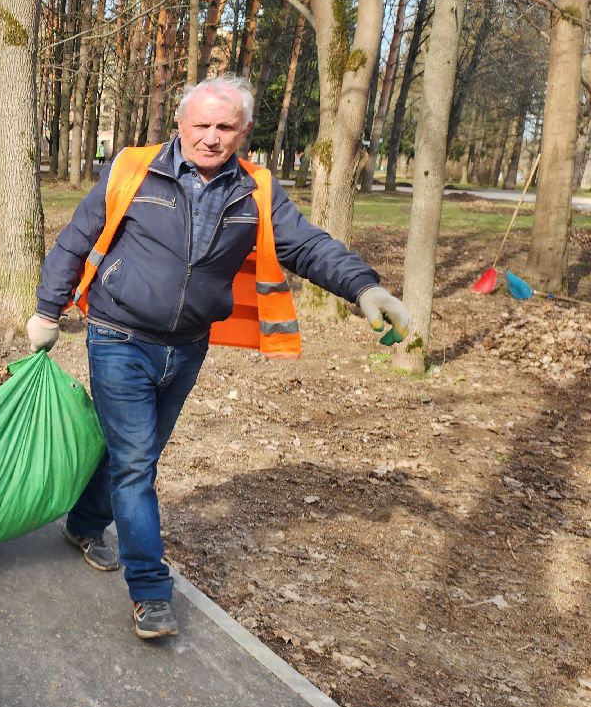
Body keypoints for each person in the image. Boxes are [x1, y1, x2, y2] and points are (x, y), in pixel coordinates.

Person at [26, 74, 408, 640]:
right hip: (116, 335)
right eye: (200, 124)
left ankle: (83, 524)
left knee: (136, 452)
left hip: (187, 348)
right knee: (137, 465)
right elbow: (76, 238)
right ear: (180, 124)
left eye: (224, 126)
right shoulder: (134, 168)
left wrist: (362, 287)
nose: (210, 137)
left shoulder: (255, 189)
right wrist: (48, 308)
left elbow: (306, 244)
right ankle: (151, 591)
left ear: (243, 131)